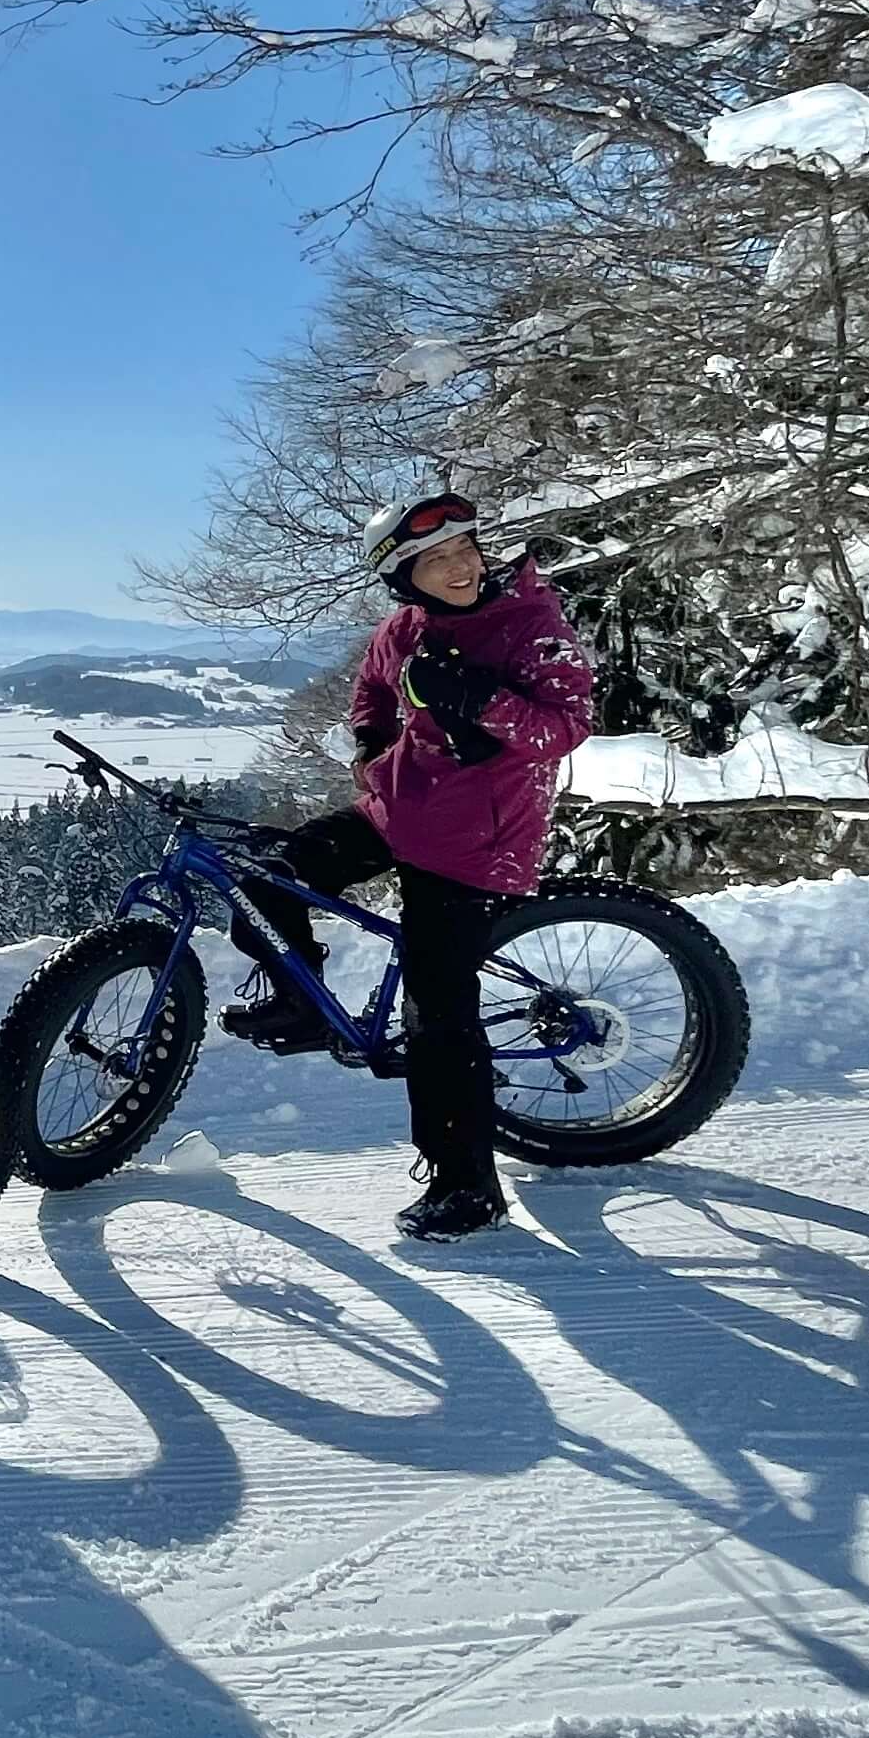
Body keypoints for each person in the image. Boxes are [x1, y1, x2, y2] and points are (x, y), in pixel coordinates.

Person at [219, 491, 596, 1243]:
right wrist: (369, 742)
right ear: (404, 577)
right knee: (272, 875)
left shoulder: (531, 622)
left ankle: (468, 1188)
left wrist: (479, 696)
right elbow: (373, 686)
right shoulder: (405, 628)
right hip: (403, 805)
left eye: (467, 549)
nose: (461, 566)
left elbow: (564, 728)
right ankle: (299, 1000)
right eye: (437, 559)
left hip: (479, 839)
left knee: (436, 1013)